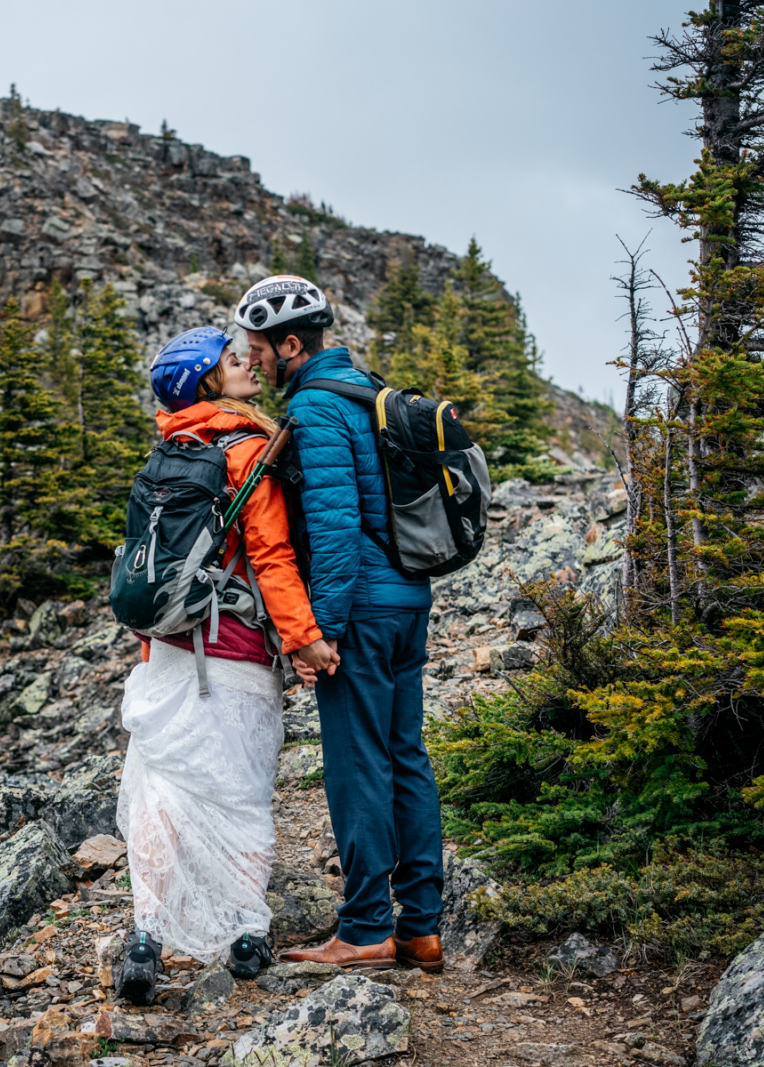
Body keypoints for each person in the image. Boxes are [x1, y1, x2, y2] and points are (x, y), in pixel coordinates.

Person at [114, 326, 337, 1003]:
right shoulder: (246, 450)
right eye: (232, 360)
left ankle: (147, 934)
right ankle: (247, 928)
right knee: (241, 797)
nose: (246, 365)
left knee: (160, 793)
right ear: (208, 382)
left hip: (169, 654)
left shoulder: (165, 453)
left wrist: (154, 648)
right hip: (237, 658)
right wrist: (303, 641)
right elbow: (271, 558)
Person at [235, 275, 445, 974]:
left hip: (361, 607)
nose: (255, 360)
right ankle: (420, 928)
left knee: (359, 766)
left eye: (261, 347)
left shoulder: (319, 408)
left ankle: (362, 928)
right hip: (408, 598)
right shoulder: (364, 389)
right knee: (405, 757)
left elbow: (333, 527)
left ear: (292, 344)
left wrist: (316, 631)